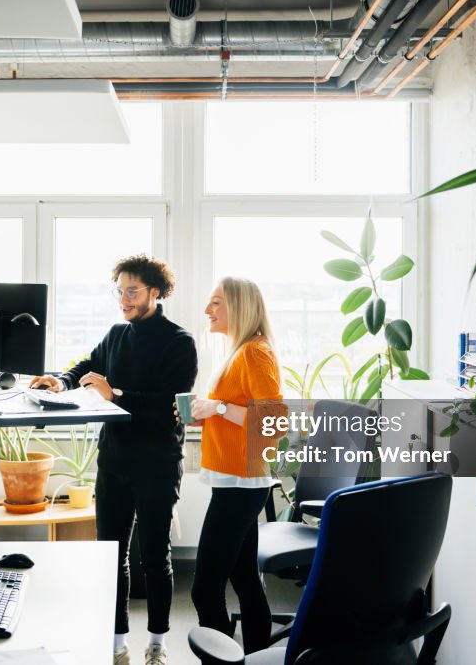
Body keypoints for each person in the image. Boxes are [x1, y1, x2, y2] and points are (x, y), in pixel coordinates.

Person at [30, 255, 197, 665]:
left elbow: (168, 409)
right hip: (115, 459)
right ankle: (116, 643)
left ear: (156, 292)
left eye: (132, 291)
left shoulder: (180, 342)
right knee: (111, 555)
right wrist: (62, 379)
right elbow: (89, 367)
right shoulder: (117, 333)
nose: (124, 299)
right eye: (119, 290)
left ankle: (157, 645)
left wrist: (116, 395)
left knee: (156, 558)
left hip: (157, 461)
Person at [182, 276, 286, 655]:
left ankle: (221, 659)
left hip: (243, 484)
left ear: (238, 307)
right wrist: (208, 414)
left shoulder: (254, 352)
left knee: (204, 590)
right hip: (236, 480)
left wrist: (219, 407)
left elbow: (274, 420)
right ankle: (256, 656)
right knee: (244, 580)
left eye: (215, 303)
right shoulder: (240, 351)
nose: (207, 310)